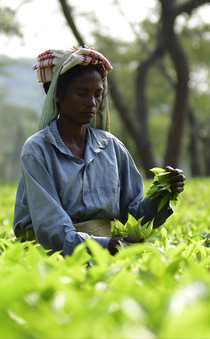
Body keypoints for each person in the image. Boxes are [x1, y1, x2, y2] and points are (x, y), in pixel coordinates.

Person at [13, 46, 185, 255]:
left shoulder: (113, 148)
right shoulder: (37, 151)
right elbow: (52, 230)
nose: (92, 102)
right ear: (57, 94)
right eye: (82, 93)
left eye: (98, 94)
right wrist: (106, 246)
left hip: (110, 257)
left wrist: (163, 193)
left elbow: (133, 217)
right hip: (55, 259)